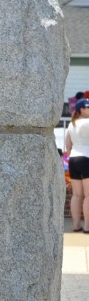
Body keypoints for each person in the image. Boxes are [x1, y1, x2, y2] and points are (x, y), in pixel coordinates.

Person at [65, 98, 89, 232]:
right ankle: (87, 226)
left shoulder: (71, 124)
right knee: (88, 195)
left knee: (76, 195)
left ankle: (76, 225)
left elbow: (68, 144)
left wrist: (71, 154)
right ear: (81, 109)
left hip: (73, 159)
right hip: (86, 158)